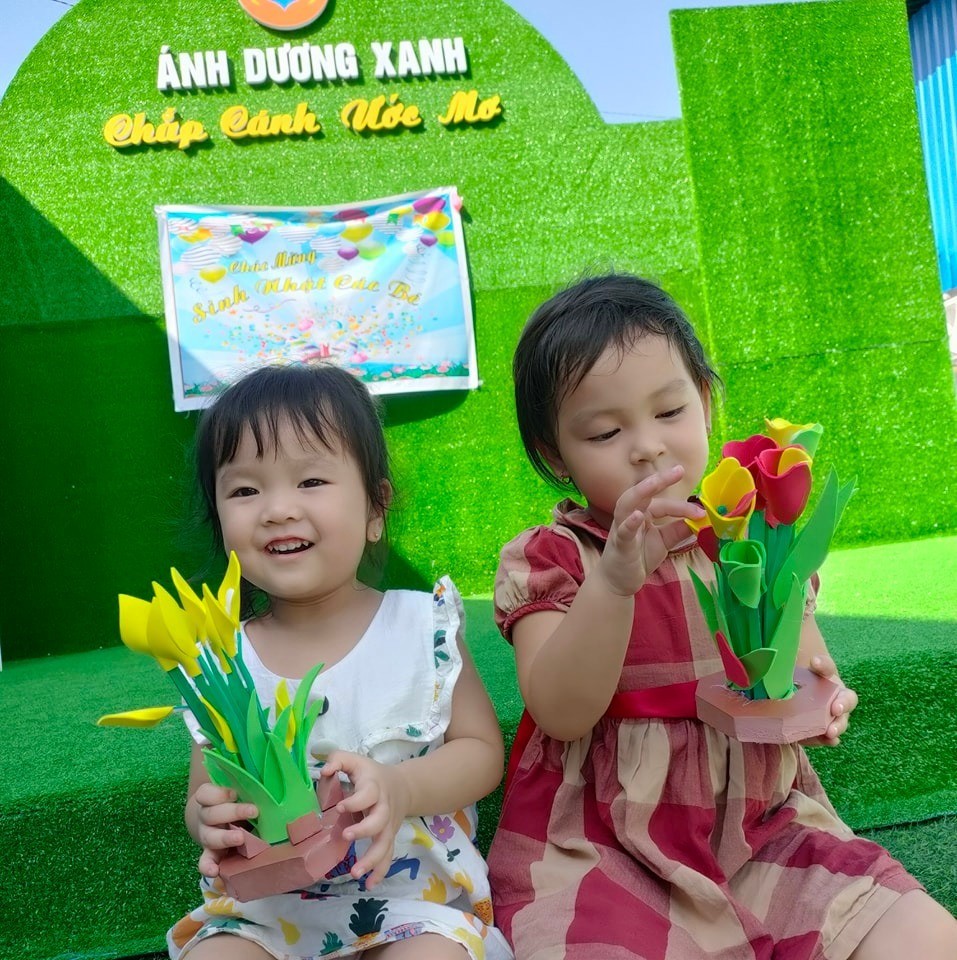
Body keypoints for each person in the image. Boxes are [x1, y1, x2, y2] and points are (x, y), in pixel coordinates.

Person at [486, 274, 957, 959]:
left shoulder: (750, 539)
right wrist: (614, 582)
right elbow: (561, 712)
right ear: (556, 453)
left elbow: (803, 665)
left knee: (924, 938)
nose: (647, 446)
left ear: (705, 403)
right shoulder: (555, 558)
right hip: (605, 849)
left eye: (670, 411)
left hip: (766, 828)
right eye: (606, 431)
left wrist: (823, 699)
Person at [167, 363, 513, 960]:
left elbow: (482, 752)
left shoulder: (419, 628)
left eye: (310, 481)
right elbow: (207, 790)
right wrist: (210, 821)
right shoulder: (223, 662)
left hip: (412, 905)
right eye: (245, 490)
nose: (277, 509)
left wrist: (401, 787)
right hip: (267, 913)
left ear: (376, 508)